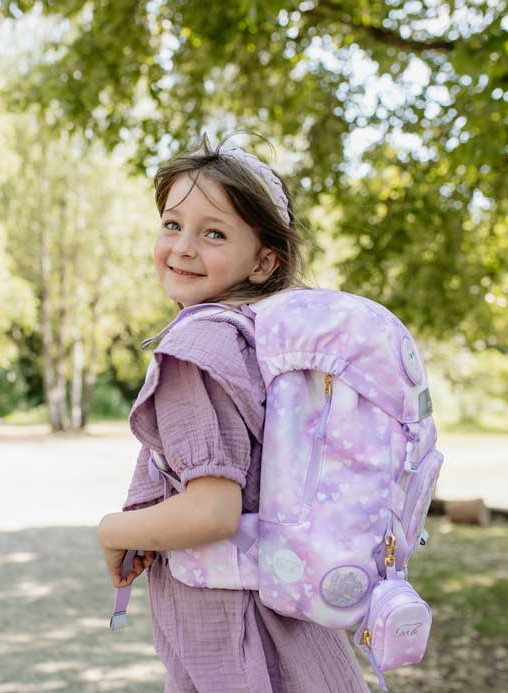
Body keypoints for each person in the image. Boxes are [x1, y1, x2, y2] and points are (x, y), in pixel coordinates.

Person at [96, 134, 369, 692]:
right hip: (293, 627)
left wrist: (113, 529)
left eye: (214, 233)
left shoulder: (199, 347)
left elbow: (214, 510)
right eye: (172, 224)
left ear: (265, 260)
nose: (184, 248)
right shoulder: (264, 341)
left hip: (238, 636)